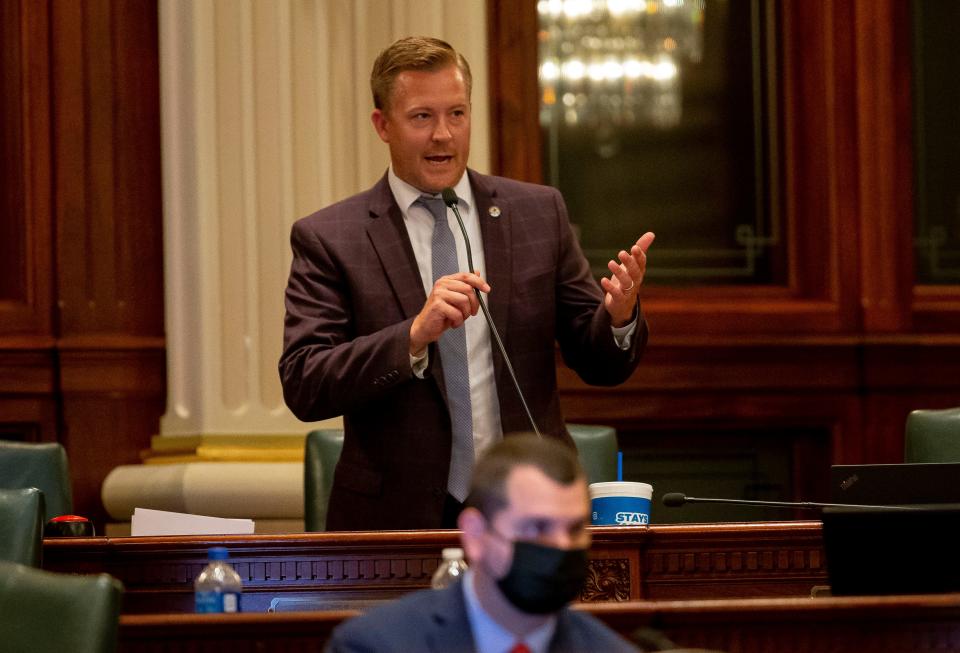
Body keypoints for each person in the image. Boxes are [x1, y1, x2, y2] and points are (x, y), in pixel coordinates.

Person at [279, 36, 655, 531]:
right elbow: (305, 382)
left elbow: (598, 362)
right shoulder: (331, 238)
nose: (443, 135)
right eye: (422, 117)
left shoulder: (538, 213)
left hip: (527, 513)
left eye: (457, 114)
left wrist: (618, 317)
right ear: (382, 125)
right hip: (395, 522)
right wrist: (412, 337)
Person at [325, 435, 640, 653]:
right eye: (537, 527)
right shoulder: (375, 645)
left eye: (574, 529)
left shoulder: (609, 648)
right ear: (475, 535)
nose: (560, 545)